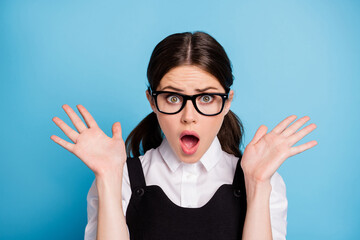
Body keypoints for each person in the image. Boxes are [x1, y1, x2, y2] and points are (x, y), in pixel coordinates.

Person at [51, 31, 317, 240]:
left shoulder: (261, 178)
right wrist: (109, 179)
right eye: (173, 97)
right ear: (152, 102)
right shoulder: (117, 177)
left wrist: (258, 185)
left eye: (207, 97)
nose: (189, 115)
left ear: (226, 103)